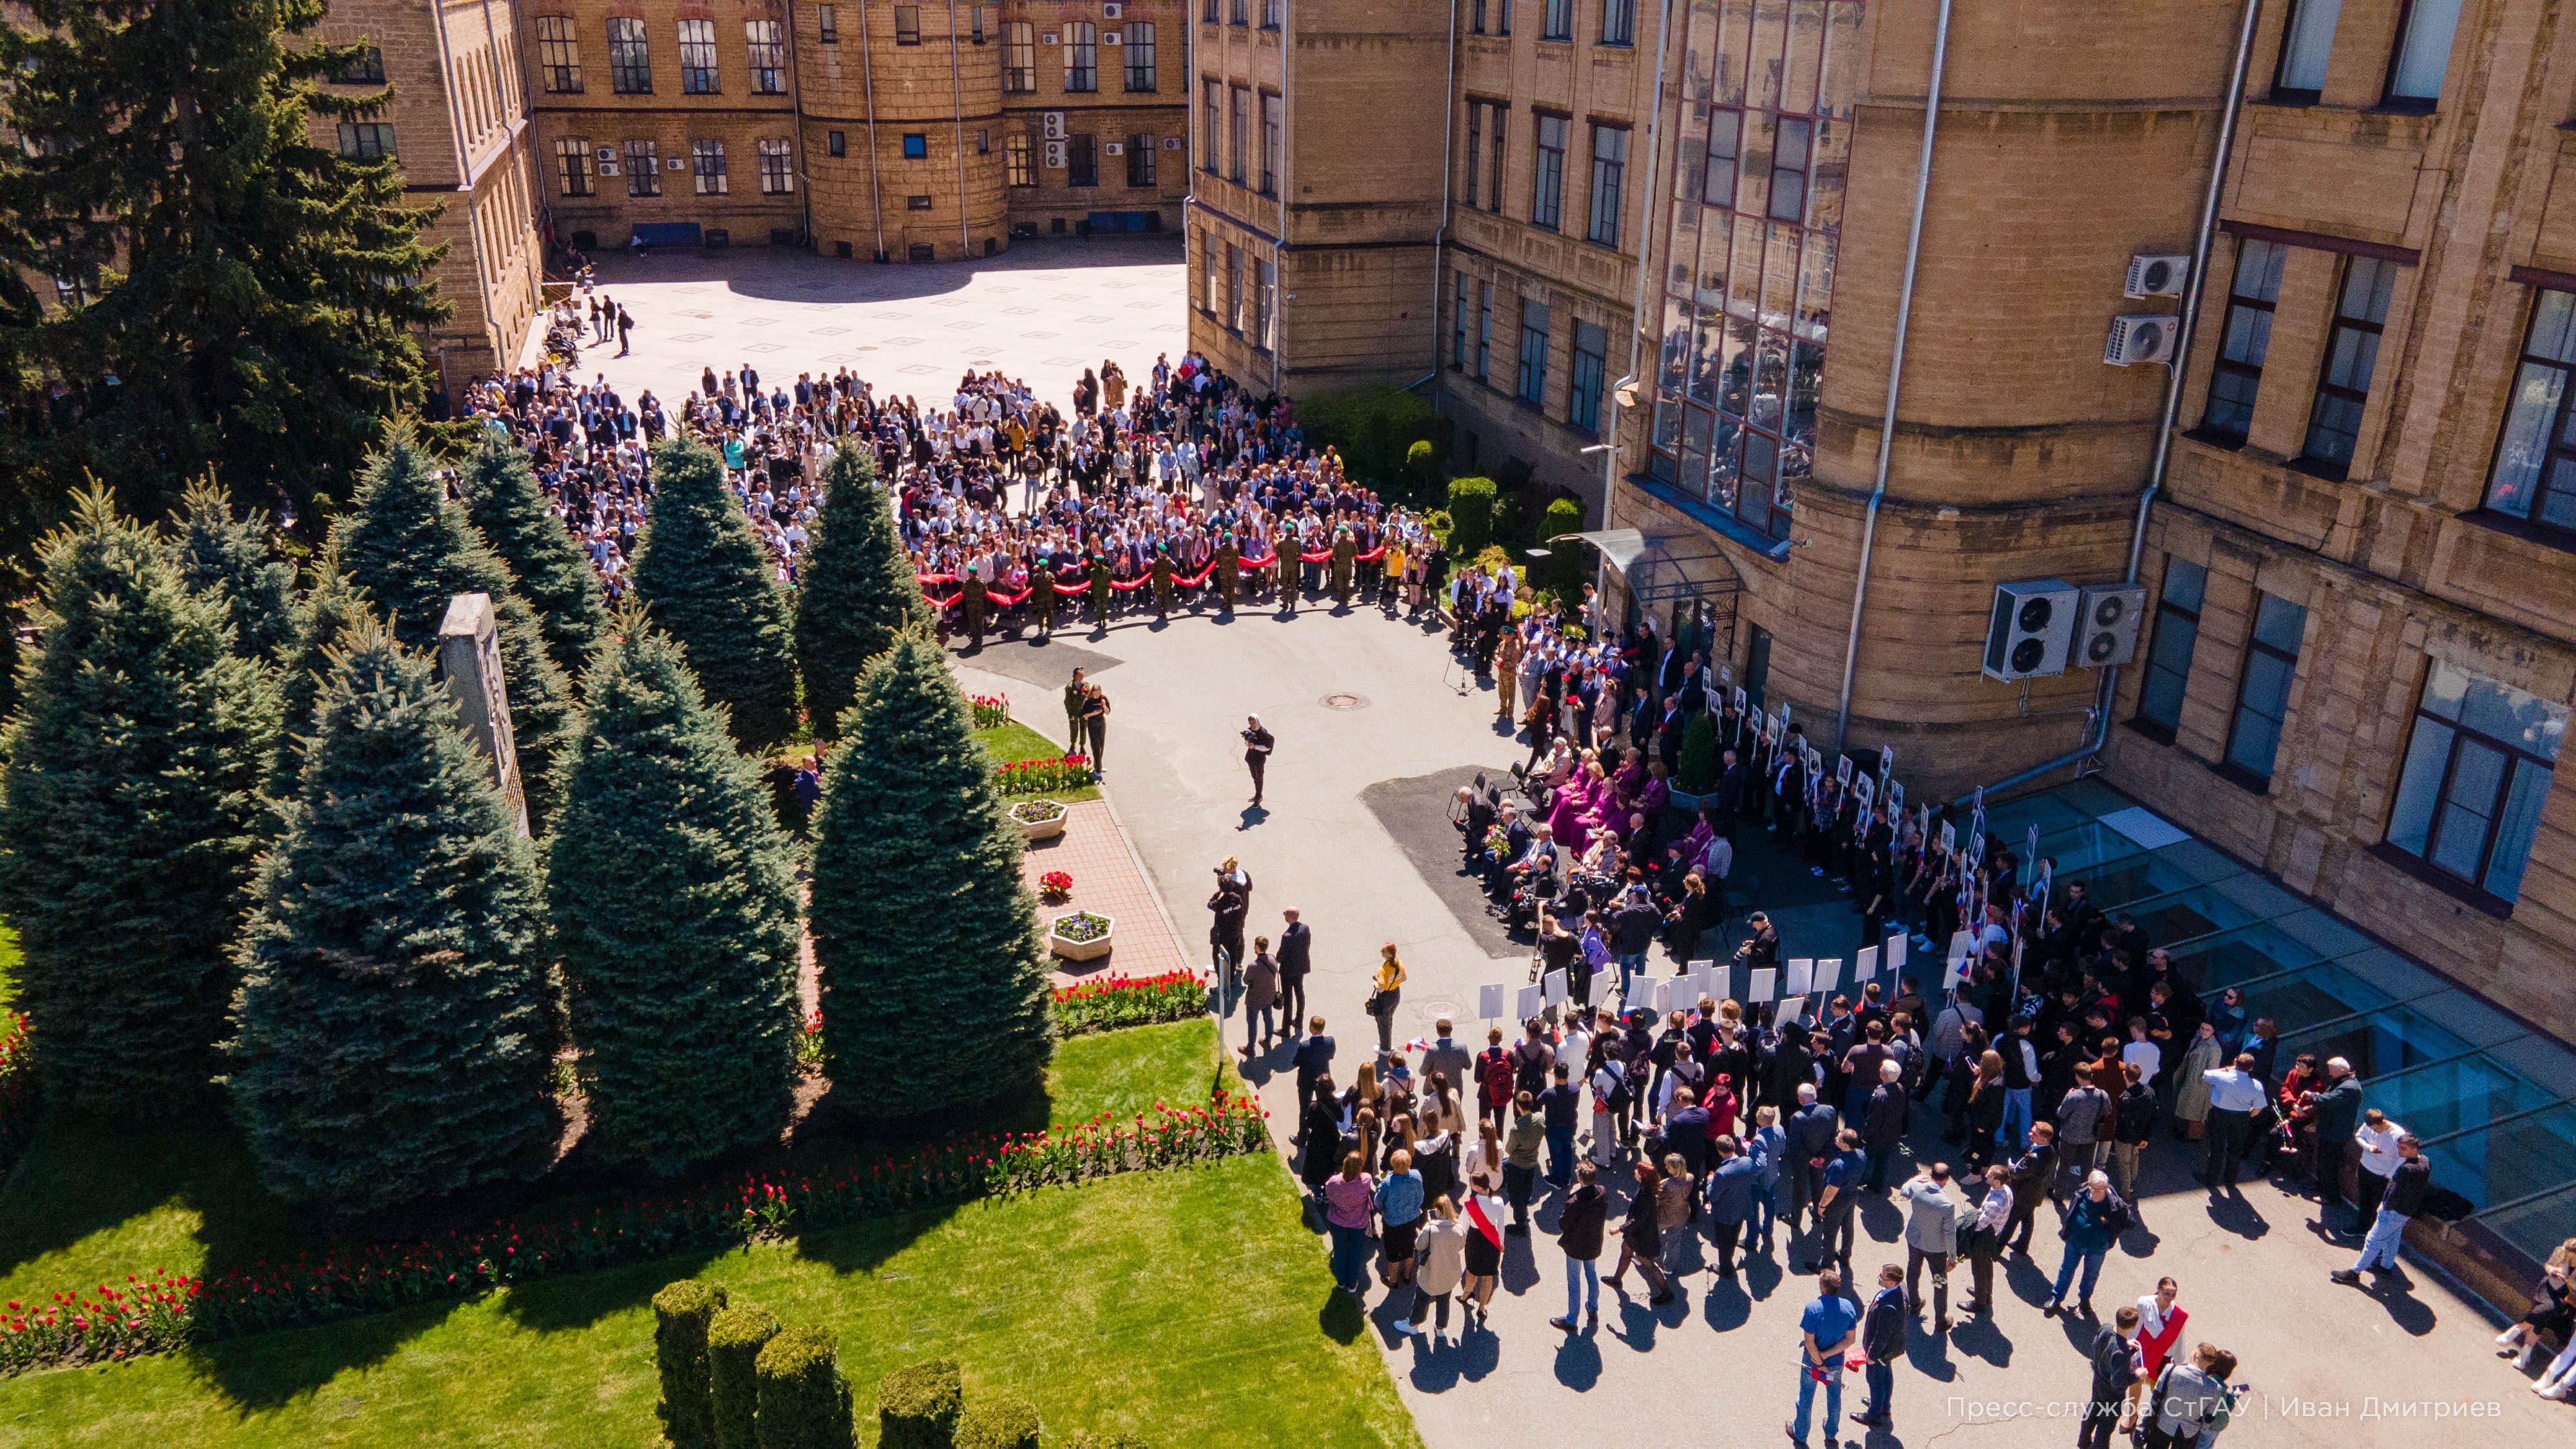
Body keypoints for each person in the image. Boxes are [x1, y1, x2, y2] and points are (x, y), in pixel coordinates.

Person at [2334, 1132, 2428, 1284]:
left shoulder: (2406, 1169)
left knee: (2373, 1240)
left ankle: (2355, 1272)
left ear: (2414, 1149)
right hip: (2407, 1211)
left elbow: (2394, 1192)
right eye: (2399, 1147)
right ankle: (2386, 1266)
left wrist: (2385, 1207)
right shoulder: (2425, 1162)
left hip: (2394, 1211)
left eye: (2403, 1149)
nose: (2399, 1151)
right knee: (2393, 1238)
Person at [1787, 1267, 1859, 1448]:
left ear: (1823, 1287)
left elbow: (1810, 1343)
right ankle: (1831, 1431)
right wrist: (1827, 1357)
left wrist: (1819, 1362)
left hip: (1813, 1363)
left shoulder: (1813, 1309)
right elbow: (1850, 1340)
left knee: (1806, 1396)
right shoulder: (1849, 1307)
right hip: (1835, 1364)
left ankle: (1801, 1432)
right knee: (1834, 1397)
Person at [2045, 1170, 2132, 1316]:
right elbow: (2072, 1211)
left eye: (2102, 1189)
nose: (2098, 1193)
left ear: (2107, 1188)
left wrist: (2118, 1219)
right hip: (2074, 1241)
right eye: (2095, 1189)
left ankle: (2085, 1299)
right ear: (2089, 1186)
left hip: (2097, 1247)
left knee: (2091, 1275)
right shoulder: (2082, 1193)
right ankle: (2057, 1297)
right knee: (2066, 1269)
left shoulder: (2114, 1203)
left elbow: (2129, 1223)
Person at [1899, 1161, 1960, 1332]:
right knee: (1939, 1282)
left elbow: (1904, 1192)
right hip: (1936, 1249)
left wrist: (1914, 1179)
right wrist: (1952, 1258)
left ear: (1931, 1174)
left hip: (1914, 1240)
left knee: (1913, 1270)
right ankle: (1940, 1320)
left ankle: (1914, 1303)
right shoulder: (1947, 1204)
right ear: (1947, 1179)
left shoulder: (1917, 1188)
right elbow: (1950, 1233)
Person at [2142, 1343, 2238, 1448]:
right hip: (2189, 1432)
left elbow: (2157, 1395)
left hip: (2163, 1423)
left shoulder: (2171, 1370)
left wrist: (2147, 1420)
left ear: (2196, 1354)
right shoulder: (2215, 1388)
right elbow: (2209, 1416)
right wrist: (2201, 1428)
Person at [1551, 1159, 1608, 1332]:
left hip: (1576, 1246)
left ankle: (1572, 1319)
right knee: (1592, 1275)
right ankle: (1592, 1308)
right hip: (1594, 1243)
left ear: (1580, 1178)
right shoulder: (1602, 1192)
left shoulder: (1574, 1202)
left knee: (1574, 1282)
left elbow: (1564, 1224)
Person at [1607, 1160, 1674, 1305]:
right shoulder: (1645, 1188)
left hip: (1642, 1237)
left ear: (1643, 1175)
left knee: (1648, 1265)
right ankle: (1616, 1279)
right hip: (1636, 1235)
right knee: (1626, 1252)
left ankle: (1667, 1293)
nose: (1634, 1172)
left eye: (1637, 1170)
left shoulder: (1646, 1197)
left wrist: (1619, 1229)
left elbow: (1637, 1220)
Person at [2197, 1050, 2268, 1188]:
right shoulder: (2257, 1086)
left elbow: (2205, 1074)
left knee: (2217, 1147)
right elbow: (2258, 1108)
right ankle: (2230, 1180)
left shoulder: (2221, 1077)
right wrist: (2247, 1116)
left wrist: (2226, 1069)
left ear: (2235, 1062)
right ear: (2251, 1068)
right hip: (2241, 1117)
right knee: (2236, 1149)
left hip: (2219, 1114)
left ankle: (2211, 1178)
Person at [2079, 1305, 2146, 1449]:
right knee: (2105, 1428)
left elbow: (2098, 1344)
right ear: (2133, 1326)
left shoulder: (2106, 1328)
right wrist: (2136, 1375)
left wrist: (2125, 1343)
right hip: (2112, 1395)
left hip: (2098, 1382)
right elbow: (2119, 1383)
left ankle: (2083, 1442)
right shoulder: (2122, 1355)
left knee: (2092, 1412)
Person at [1406, 1195, 1468, 1342]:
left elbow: (1419, 1245)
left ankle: (1414, 1324)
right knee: (1444, 1302)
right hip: (1450, 1273)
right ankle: (1440, 1328)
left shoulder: (1430, 1229)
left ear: (1438, 1211)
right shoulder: (1459, 1229)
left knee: (1421, 1301)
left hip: (1431, 1272)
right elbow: (1461, 1245)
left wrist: (1429, 1225)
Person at [1855, 1263, 1907, 1432]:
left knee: (1876, 1381)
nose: (1879, 1278)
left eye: (1881, 1277)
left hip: (1881, 1352)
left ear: (1891, 1282)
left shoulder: (1890, 1307)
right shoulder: (1898, 1289)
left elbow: (1881, 1337)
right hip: (1889, 1351)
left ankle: (1875, 1414)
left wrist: (1871, 1355)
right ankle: (1883, 1405)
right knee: (1885, 1376)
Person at [1703, 1132, 1759, 1278]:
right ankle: (1729, 1258)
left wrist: (1710, 1181)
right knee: (1734, 1237)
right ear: (1734, 1146)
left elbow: (1713, 1196)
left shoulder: (1721, 1173)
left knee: (1723, 1242)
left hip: (1724, 1213)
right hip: (1742, 1207)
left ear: (1720, 1152)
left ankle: (1726, 1269)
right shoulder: (1748, 1162)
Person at [1810, 1128, 1864, 1277]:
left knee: (1830, 1233)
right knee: (1848, 1226)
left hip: (1837, 1201)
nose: (1836, 1139)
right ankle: (1845, 1256)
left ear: (1846, 1145)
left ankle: (1827, 1265)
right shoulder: (1861, 1154)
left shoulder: (1839, 1165)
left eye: (1839, 1139)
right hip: (1851, 1195)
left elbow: (1832, 1189)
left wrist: (1822, 1205)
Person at [1322, 1151, 1376, 1296]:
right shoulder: (1366, 1180)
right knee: (1355, 1252)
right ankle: (1352, 1283)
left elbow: (1330, 1195)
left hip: (1338, 1222)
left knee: (1340, 1251)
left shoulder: (1333, 1182)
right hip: (1358, 1223)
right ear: (1360, 1167)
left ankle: (1341, 1281)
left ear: (1344, 1164)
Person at [2002, 1122, 2058, 1256]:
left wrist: (2011, 1168)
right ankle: (2022, 1245)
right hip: (2036, 1194)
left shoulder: (2036, 1157)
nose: (2030, 1134)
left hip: (2024, 1194)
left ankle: (1997, 1246)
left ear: (2044, 1139)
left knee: (2012, 1220)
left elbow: (2018, 1174)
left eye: (2034, 1133)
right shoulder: (2051, 1151)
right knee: (2027, 1219)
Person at [1962, 1163, 2011, 1316]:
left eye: (1990, 1175)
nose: (1986, 1176)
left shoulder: (1994, 1205)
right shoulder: (2006, 1190)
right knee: (1987, 1267)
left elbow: (1980, 1226)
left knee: (1979, 1270)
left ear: (1997, 1181)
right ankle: (1985, 1294)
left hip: (1984, 1238)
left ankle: (1980, 1302)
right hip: (1994, 1235)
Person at [1374, 1147, 1425, 1292]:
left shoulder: (1388, 1182)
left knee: (1393, 1253)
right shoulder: (1416, 1176)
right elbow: (1420, 1196)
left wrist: (1385, 1210)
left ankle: (1393, 1280)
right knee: (1409, 1248)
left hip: (1393, 1223)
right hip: (1412, 1219)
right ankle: (1408, 1276)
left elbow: (1378, 1201)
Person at [1460, 1175, 1504, 1325]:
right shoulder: (1498, 1202)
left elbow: (1463, 1227)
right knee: (1488, 1276)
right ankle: (1482, 1307)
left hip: (1474, 1240)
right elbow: (1501, 1226)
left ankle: (1466, 1295)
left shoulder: (1469, 1205)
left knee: (1472, 1272)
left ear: (1477, 1187)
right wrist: (1501, 1243)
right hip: (1491, 1242)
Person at [1502, 1090, 1545, 1232]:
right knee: (1527, 1189)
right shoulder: (1539, 1119)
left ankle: (1520, 1225)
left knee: (1516, 1196)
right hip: (1532, 1162)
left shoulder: (1517, 1129)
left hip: (1517, 1165)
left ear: (1518, 1106)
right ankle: (1524, 1210)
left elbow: (1509, 1149)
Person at [1537, 1061, 1582, 1187]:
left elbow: (1538, 1102)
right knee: (1568, 1152)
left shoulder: (1549, 1093)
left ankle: (1557, 1180)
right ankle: (1567, 1177)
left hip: (1554, 1128)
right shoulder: (1575, 1088)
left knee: (1556, 1153)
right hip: (1570, 1125)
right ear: (1568, 1074)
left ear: (1555, 1076)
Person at [1240, 936, 1279, 1056]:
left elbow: (1246, 981)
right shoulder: (1272, 958)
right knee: (1268, 1018)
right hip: (1269, 996)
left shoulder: (1253, 966)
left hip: (1255, 999)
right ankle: (1268, 1041)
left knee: (1252, 1023)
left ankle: (1250, 1048)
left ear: (1257, 947)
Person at [1366, 943, 1406, 1057]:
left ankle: (1385, 1048)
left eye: (1383, 951)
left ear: (1388, 954)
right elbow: (1404, 978)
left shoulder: (1382, 970)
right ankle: (1386, 1042)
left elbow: (1381, 989)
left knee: (1383, 1022)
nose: (1381, 953)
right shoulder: (1400, 963)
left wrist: (1375, 984)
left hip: (1385, 997)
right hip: (1396, 994)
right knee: (1388, 1019)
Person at [1276, 909, 1312, 1030]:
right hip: (1301, 968)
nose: (1285, 917)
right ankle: (1299, 1020)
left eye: (1285, 915)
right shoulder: (1305, 929)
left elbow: (1281, 955)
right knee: (1299, 993)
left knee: (1288, 999)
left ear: (1290, 917)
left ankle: (1285, 1028)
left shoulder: (1287, 936)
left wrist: (1276, 961)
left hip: (1288, 971)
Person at [1291, 1016, 1334, 1106]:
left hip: (1306, 1080)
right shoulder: (1330, 1042)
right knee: (1325, 1107)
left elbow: (1296, 1062)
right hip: (1324, 1080)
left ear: (1311, 1028)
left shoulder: (1304, 1046)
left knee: (1305, 1109)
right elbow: (1331, 1056)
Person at [1240, 714, 1274, 806]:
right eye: (1250, 723)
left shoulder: (1263, 733)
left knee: (1259, 778)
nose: (1252, 725)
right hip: (1251, 758)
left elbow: (1267, 747)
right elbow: (1246, 741)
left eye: (1253, 722)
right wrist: (1248, 743)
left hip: (1259, 759)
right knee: (1255, 777)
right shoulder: (1250, 731)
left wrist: (1255, 747)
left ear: (1257, 721)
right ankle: (1257, 794)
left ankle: (1258, 796)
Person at [1080, 682, 1110, 772]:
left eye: (1098, 691)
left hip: (1101, 722)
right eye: (1095, 691)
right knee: (1096, 747)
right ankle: (1098, 769)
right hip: (1092, 723)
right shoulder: (1089, 702)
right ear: (1092, 692)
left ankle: (1097, 765)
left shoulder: (1103, 699)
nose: (1097, 693)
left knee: (1101, 745)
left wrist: (1104, 705)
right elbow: (1084, 716)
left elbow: (1108, 712)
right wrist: (1093, 713)